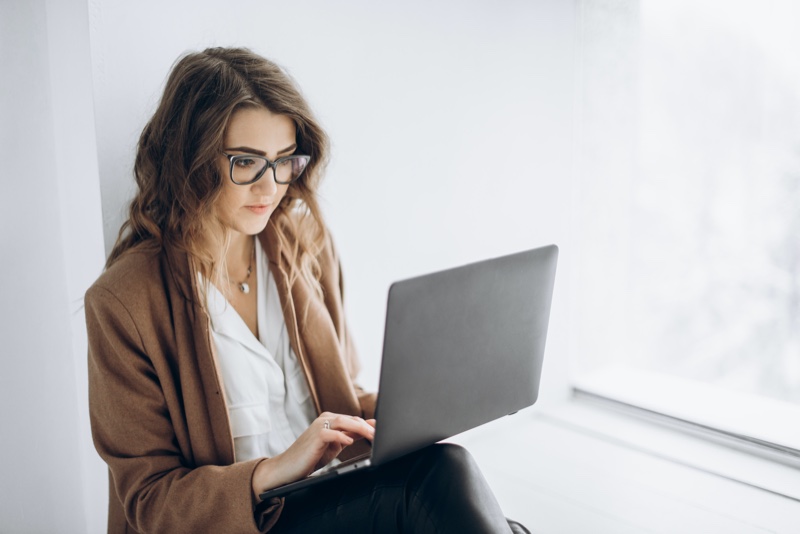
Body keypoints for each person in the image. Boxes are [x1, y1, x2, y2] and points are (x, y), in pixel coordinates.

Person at [86, 46, 529, 533]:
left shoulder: (303, 242)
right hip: (249, 523)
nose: (270, 186)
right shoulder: (124, 301)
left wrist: (417, 412)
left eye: (283, 161)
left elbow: (343, 387)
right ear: (188, 159)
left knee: (453, 481)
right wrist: (272, 471)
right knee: (443, 479)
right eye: (246, 162)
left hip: (334, 491)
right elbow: (150, 501)